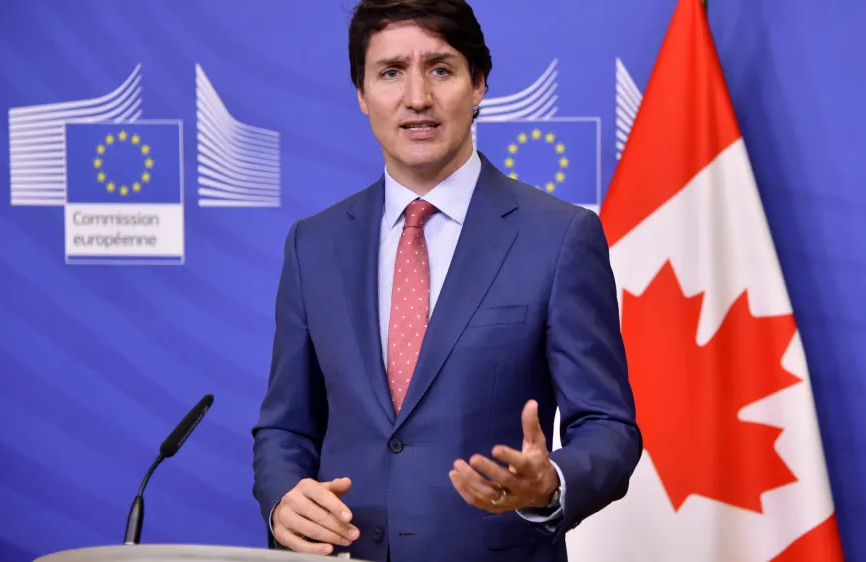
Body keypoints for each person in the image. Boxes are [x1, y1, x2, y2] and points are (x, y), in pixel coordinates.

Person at [251, 1, 641, 560]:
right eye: (390, 72)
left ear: (478, 84)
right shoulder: (313, 244)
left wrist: (550, 481)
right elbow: (285, 429)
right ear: (361, 94)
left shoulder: (559, 237)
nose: (416, 98)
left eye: (440, 68)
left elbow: (609, 428)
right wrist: (283, 499)